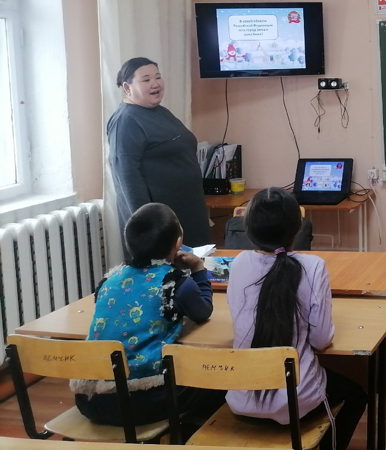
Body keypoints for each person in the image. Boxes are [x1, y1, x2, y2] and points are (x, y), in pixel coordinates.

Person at [226, 188, 367, 450]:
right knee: (356, 395)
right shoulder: (312, 266)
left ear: (248, 229)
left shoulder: (239, 263)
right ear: (299, 227)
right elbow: (321, 340)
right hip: (295, 401)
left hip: (241, 399)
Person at [72, 203, 224, 426]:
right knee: (218, 379)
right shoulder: (173, 282)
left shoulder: (110, 278)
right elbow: (203, 311)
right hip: (141, 400)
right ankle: (187, 435)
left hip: (90, 400)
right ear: (178, 243)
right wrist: (198, 269)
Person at [107, 57, 212, 250]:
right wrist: (148, 227)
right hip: (161, 224)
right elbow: (127, 177)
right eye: (146, 80)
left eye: (158, 77)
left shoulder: (160, 112)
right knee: (171, 269)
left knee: (197, 265)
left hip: (188, 212)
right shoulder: (126, 121)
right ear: (127, 87)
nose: (155, 83)